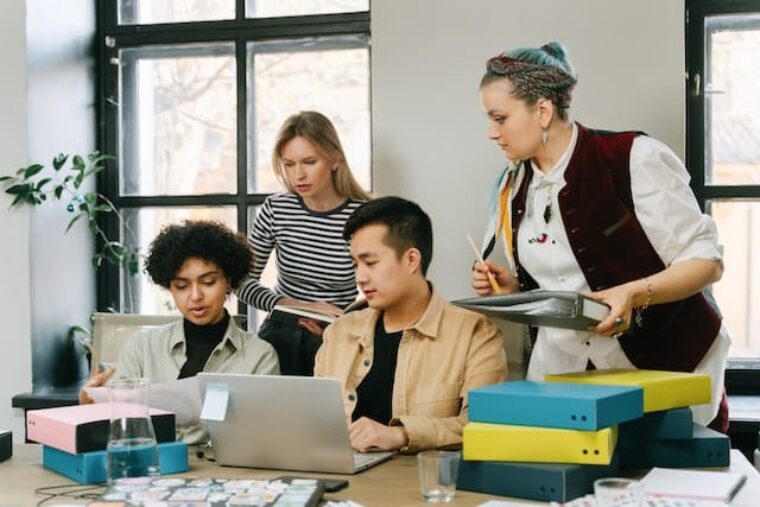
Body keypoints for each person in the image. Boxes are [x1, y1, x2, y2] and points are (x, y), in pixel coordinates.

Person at [471, 41, 730, 431]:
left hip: (663, 367)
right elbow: (559, 280)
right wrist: (513, 289)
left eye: (500, 118)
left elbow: (707, 262)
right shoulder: (512, 187)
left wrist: (635, 292)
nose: (492, 133)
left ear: (542, 111)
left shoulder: (632, 157)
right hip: (564, 376)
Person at [316, 196, 508, 453]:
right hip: (339, 480)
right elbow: (315, 423)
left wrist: (403, 434)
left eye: (371, 263)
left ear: (411, 260)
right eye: (355, 265)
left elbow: (483, 425)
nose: (360, 277)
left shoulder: (475, 333)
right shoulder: (339, 332)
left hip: (421, 485)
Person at [80, 220, 279, 443]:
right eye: (182, 286)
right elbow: (120, 428)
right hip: (150, 466)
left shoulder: (259, 356)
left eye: (208, 282)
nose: (195, 296)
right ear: (170, 287)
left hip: (225, 472)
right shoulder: (142, 347)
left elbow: (262, 437)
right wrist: (91, 407)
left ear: (228, 282)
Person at [237, 111, 371, 376]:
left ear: (335, 159)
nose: (298, 175)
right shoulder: (276, 208)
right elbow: (241, 282)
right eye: (289, 164)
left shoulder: (364, 216)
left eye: (309, 162)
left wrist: (344, 321)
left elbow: (382, 289)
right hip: (282, 330)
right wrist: (296, 305)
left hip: (341, 331)